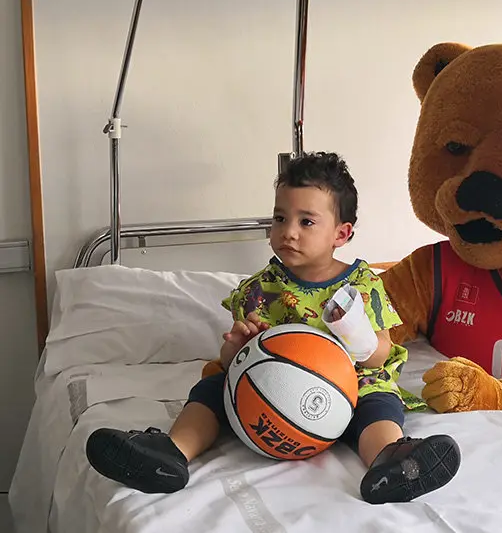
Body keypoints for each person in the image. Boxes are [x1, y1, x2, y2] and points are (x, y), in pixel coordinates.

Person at [85, 152, 461, 504]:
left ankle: (390, 461)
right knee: (215, 387)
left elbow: (379, 352)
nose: (289, 232)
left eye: (306, 221)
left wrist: (356, 338)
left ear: (342, 234)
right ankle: (171, 452)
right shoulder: (260, 288)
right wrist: (235, 350)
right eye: (280, 219)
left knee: (378, 401)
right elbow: (237, 357)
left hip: (348, 380)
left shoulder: (361, 286)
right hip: (270, 390)